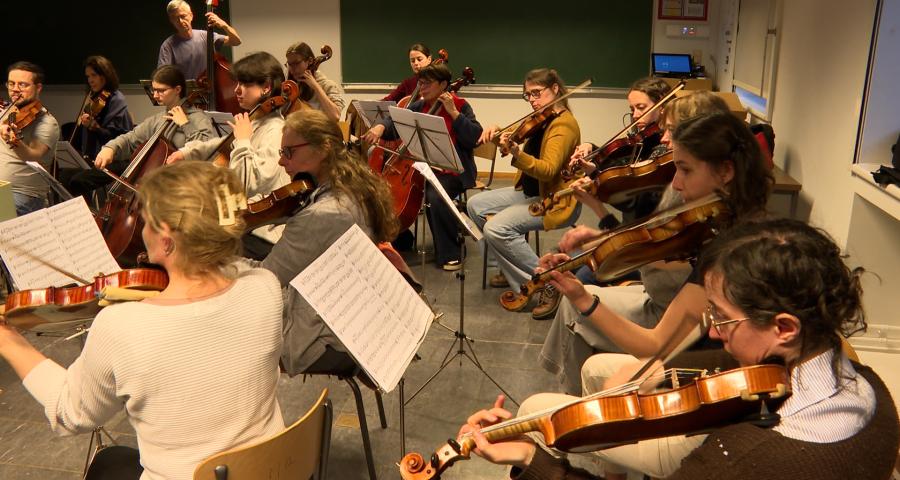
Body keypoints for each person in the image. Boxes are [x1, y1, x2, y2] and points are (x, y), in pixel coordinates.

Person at [458, 218, 892, 480]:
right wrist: (662, 372)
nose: (716, 332)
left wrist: (532, 458)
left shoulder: (744, 457)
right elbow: (727, 360)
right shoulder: (867, 383)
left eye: (722, 318)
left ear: (783, 327)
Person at [0, 161, 285, 480]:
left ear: (166, 239)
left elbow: (72, 414)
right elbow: (229, 281)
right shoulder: (265, 287)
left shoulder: (121, 326)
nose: (141, 231)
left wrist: (10, 342)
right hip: (268, 470)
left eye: (146, 222)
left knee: (108, 464)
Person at [539, 111, 772, 396]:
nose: (675, 183)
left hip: (701, 378)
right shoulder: (725, 222)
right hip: (693, 351)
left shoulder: (728, 251)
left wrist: (582, 297)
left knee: (581, 337)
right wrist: (598, 245)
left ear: (725, 172)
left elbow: (656, 344)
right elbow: (659, 253)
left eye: (685, 169)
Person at [249, 109, 398, 375]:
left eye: (289, 152)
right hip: (359, 313)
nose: (282, 162)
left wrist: (222, 264)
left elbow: (266, 280)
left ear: (324, 148)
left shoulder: (321, 215)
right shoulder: (356, 186)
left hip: (324, 337)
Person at [465, 68, 580, 308]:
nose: (532, 100)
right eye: (527, 95)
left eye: (536, 93)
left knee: (496, 228)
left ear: (555, 89)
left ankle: (549, 279)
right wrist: (496, 132)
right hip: (528, 191)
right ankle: (508, 270)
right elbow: (512, 140)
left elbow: (548, 170)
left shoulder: (563, 126)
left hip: (553, 199)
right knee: (475, 204)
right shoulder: (543, 119)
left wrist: (517, 153)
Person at [167, 52, 290, 259]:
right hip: (242, 220)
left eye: (245, 84)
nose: (236, 90)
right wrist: (187, 152)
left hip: (259, 232)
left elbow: (247, 183)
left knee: (192, 240)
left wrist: (243, 140)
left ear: (266, 87)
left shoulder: (276, 131)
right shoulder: (256, 121)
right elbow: (223, 144)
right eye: (237, 83)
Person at [362, 63, 482, 270]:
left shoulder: (461, 105)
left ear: (443, 84)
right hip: (422, 168)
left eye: (427, 83)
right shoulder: (419, 105)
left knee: (435, 195)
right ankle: (400, 237)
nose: (422, 87)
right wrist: (381, 127)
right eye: (421, 82)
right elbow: (396, 122)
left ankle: (451, 252)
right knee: (383, 191)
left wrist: (453, 113)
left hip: (453, 170)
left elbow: (473, 137)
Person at [82, 65, 215, 199]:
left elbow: (207, 150)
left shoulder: (198, 118)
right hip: (156, 188)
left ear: (177, 89)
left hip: (185, 190)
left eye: (161, 90)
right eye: (154, 90)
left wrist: (185, 124)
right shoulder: (157, 120)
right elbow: (131, 138)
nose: (155, 95)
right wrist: (111, 148)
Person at [0, 61, 59, 216]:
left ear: (38, 88)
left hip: (23, 195)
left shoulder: (47, 122)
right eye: (11, 84)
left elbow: (33, 156)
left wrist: (15, 142)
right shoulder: (5, 113)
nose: (15, 90)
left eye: (23, 85)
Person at [157, 0, 242, 80]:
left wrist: (224, 25)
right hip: (186, 94)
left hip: (213, 92)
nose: (180, 21)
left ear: (191, 15)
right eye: (175, 18)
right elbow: (163, 76)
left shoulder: (206, 36)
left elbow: (236, 41)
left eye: (183, 16)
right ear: (171, 20)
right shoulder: (168, 46)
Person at [71, 56, 133, 159]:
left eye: (93, 75)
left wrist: (95, 127)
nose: (90, 80)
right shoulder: (93, 98)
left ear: (105, 75)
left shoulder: (116, 99)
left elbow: (116, 138)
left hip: (112, 158)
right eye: (88, 76)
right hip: (93, 156)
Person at [284, 41, 346, 122]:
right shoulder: (291, 86)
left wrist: (316, 87)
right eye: (290, 64)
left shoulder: (328, 85)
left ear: (309, 61)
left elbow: (335, 116)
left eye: (296, 63)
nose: (292, 69)